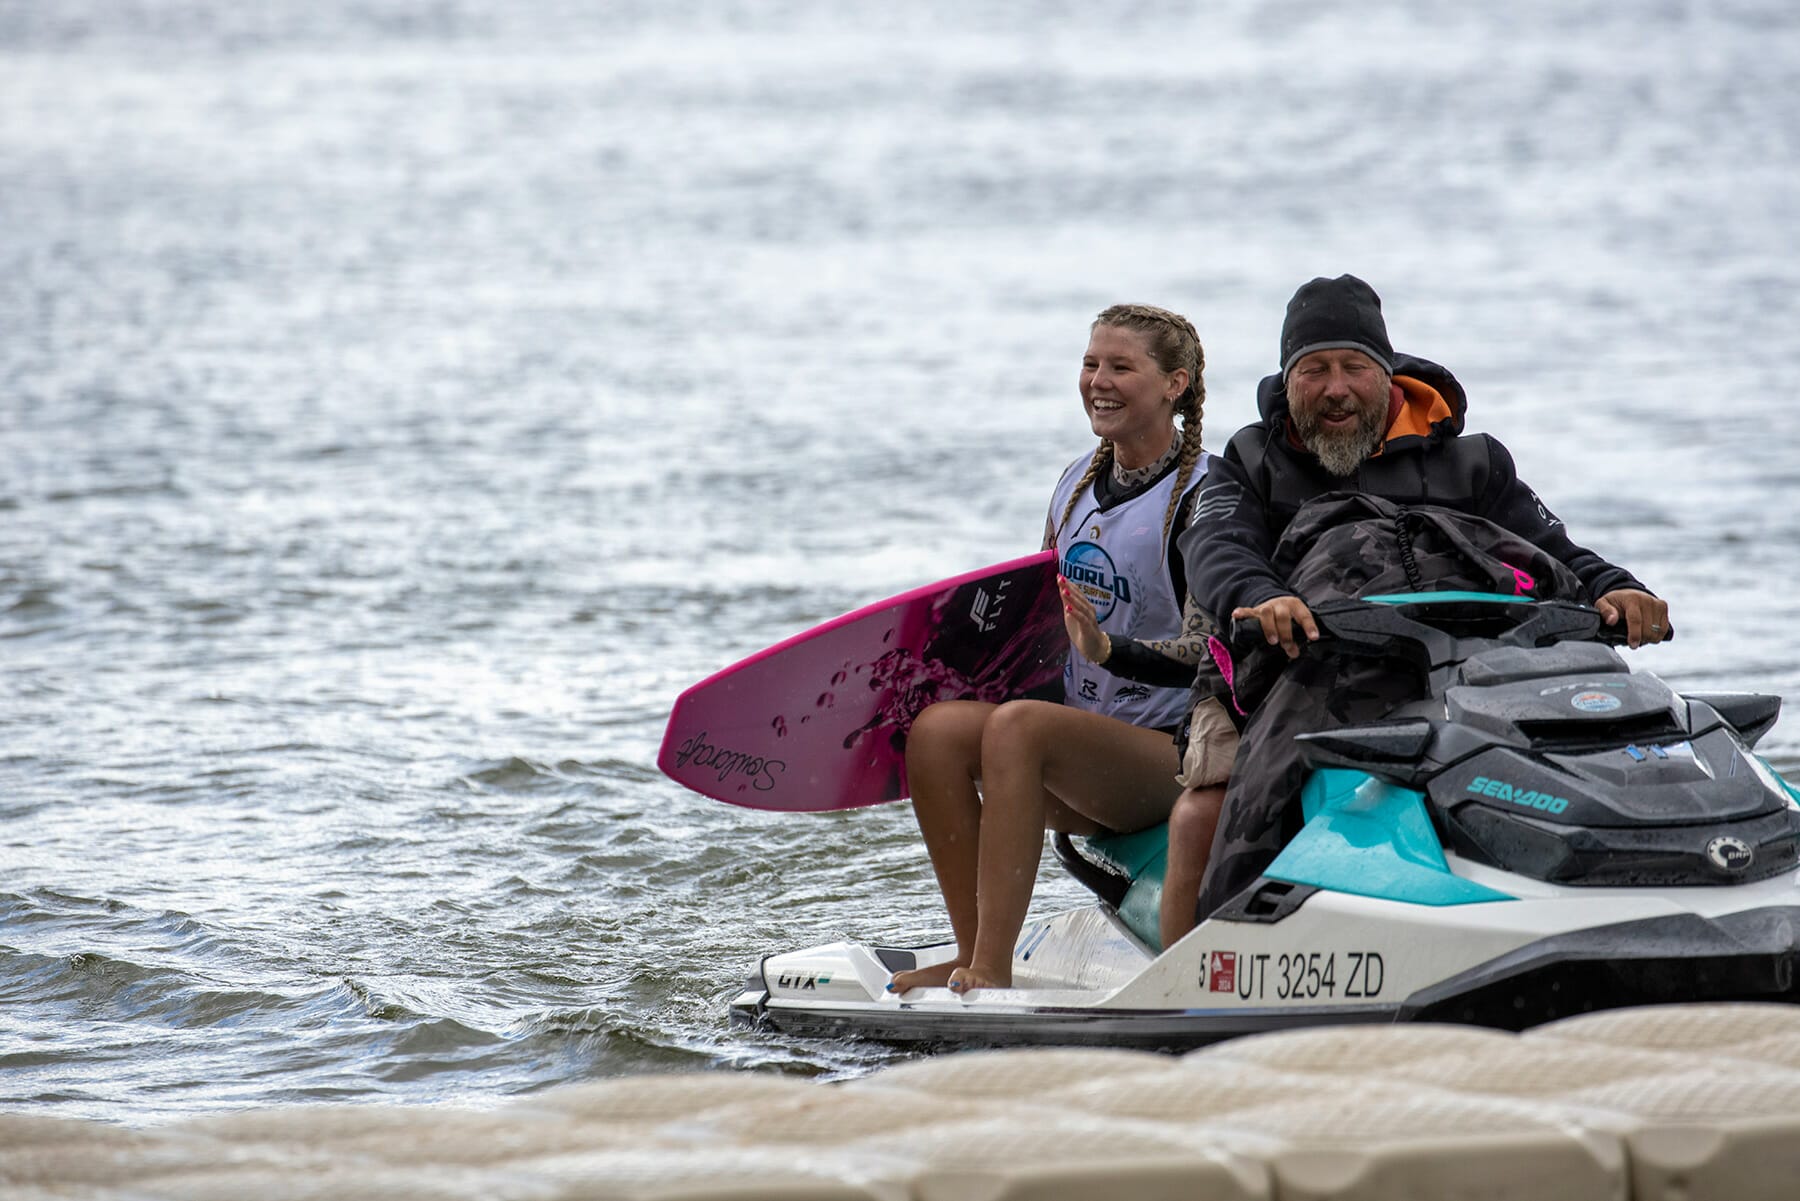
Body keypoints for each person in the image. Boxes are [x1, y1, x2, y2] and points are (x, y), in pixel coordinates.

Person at [1175, 274, 1671, 921]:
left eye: (1353, 366)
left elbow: (1550, 548)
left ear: (1388, 375)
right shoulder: (1248, 458)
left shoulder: (1473, 462)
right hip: (1288, 671)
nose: (1335, 388)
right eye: (1314, 369)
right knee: (1208, 807)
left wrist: (1616, 587)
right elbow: (1216, 547)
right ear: (1286, 380)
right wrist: (1261, 595)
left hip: (1472, 676)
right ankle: (1217, 950)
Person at [887, 303, 1213, 994]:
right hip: (1079, 748)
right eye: (1092, 363)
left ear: (1174, 384)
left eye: (1122, 366)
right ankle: (969, 945)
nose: (1099, 379)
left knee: (1019, 727)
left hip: (1168, 755)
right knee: (939, 732)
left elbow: (1210, 648)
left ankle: (993, 966)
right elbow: (1038, 617)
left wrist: (1109, 647)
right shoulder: (1073, 485)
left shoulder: (1203, 497)